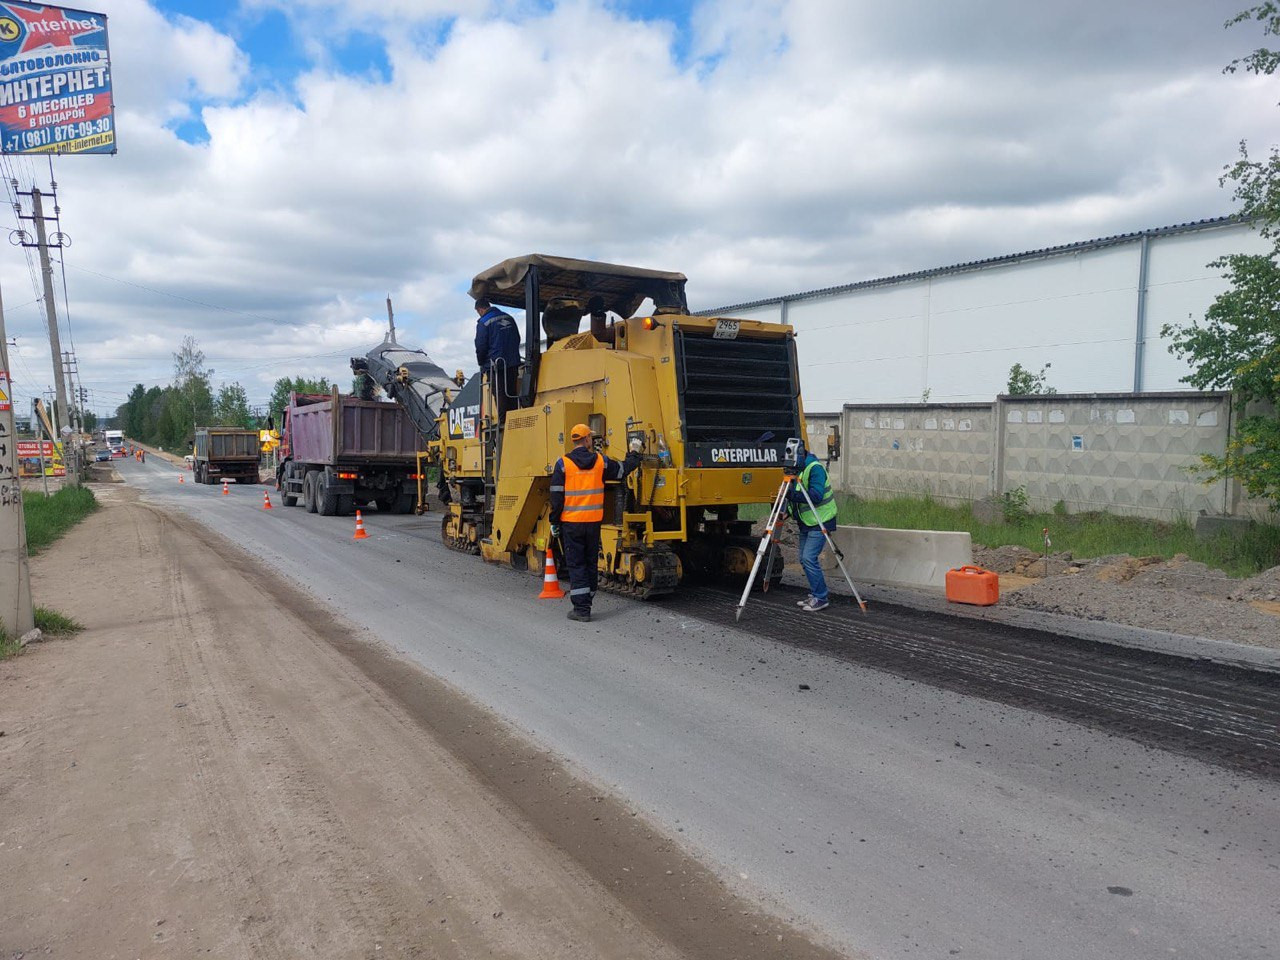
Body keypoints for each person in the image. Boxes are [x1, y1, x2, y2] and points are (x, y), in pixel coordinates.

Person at [549, 424, 643, 623]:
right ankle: (588, 597)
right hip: (592, 524)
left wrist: (554, 522)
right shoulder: (601, 462)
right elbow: (623, 470)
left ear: (574, 440)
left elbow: (556, 498)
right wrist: (635, 452)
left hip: (571, 524)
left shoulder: (562, 464)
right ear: (587, 440)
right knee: (590, 562)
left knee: (577, 565)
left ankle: (582, 609)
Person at [788, 441, 838, 612]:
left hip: (821, 520)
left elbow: (815, 496)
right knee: (803, 558)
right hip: (807, 522)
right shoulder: (799, 470)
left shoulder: (814, 468)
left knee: (809, 558)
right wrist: (786, 511)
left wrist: (792, 494)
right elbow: (795, 501)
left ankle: (821, 597)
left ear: (801, 455)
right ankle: (816, 593)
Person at [474, 298, 522, 420]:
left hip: (496, 365)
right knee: (512, 392)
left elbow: (481, 346)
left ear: (480, 309)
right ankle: (515, 418)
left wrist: (481, 363)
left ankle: (503, 422)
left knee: (499, 393)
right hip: (512, 363)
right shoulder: (508, 317)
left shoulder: (484, 322)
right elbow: (517, 338)